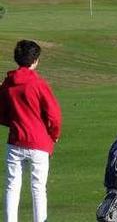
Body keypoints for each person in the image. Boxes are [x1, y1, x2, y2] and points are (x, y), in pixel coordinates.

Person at [0, 40, 62, 222]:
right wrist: (54, 135)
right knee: (38, 188)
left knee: (12, 186)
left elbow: (2, 114)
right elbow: (54, 115)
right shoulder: (39, 83)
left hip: (16, 141)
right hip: (39, 143)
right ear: (35, 60)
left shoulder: (8, 84)